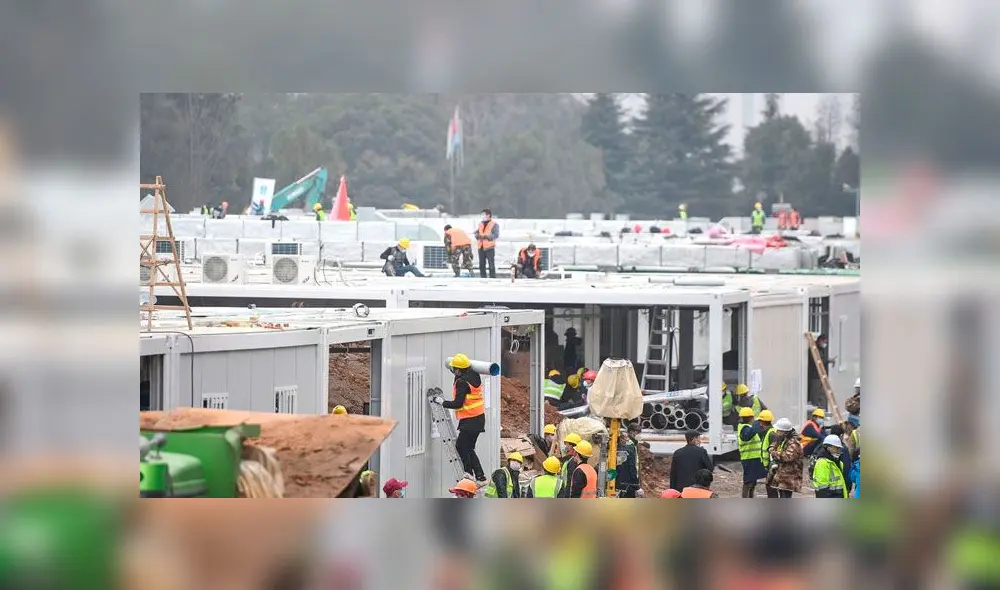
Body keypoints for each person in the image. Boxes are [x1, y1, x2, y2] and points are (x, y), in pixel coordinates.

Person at [430, 353, 487, 484]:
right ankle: (480, 476)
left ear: (458, 370)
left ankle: (469, 472)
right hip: (478, 419)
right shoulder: (474, 375)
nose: (453, 371)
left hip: (470, 420)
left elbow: (458, 404)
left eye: (454, 368)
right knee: (468, 448)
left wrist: (442, 402)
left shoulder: (462, 382)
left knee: (461, 446)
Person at [768, 418, 804, 498]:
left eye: (779, 430)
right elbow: (774, 445)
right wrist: (772, 448)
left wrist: (774, 453)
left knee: (785, 496)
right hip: (783, 475)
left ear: (785, 432)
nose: (777, 432)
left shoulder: (794, 443)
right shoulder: (782, 439)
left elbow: (788, 457)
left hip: (789, 476)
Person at [737, 407, 766, 498]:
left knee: (752, 481)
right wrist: (756, 424)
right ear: (750, 417)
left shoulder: (747, 427)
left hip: (753, 457)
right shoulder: (745, 428)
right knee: (748, 481)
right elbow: (747, 436)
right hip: (749, 458)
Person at [824, 425, 855, 496]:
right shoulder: (843, 449)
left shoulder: (823, 446)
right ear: (841, 435)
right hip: (839, 489)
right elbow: (846, 470)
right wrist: (848, 487)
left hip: (824, 489)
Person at [807, 333, 835, 409]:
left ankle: (821, 410)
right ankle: (815, 411)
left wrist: (828, 360)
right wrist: (828, 360)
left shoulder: (821, 349)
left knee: (822, 395)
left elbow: (822, 360)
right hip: (815, 376)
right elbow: (817, 361)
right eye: (824, 342)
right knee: (815, 395)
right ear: (820, 340)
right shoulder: (813, 349)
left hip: (821, 376)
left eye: (826, 342)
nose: (825, 344)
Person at [756, 410, 779, 497]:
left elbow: (774, 451)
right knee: (770, 488)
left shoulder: (771, 434)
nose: (759, 424)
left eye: (760, 421)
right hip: (769, 466)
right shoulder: (768, 432)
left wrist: (772, 466)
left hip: (772, 466)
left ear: (762, 422)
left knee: (771, 489)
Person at [616, 427, 641, 498]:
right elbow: (632, 468)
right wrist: (637, 486)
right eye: (626, 438)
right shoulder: (629, 451)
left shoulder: (613, 451)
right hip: (628, 485)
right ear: (621, 439)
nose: (628, 440)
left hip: (615, 484)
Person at [474, 208, 499, 278]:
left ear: (488, 215)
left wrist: (486, 237)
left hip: (489, 247)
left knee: (491, 264)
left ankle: (492, 277)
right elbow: (477, 232)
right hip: (481, 246)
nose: (482, 216)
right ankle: (483, 278)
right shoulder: (481, 224)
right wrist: (477, 235)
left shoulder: (494, 224)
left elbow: (496, 235)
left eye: (484, 214)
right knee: (481, 264)